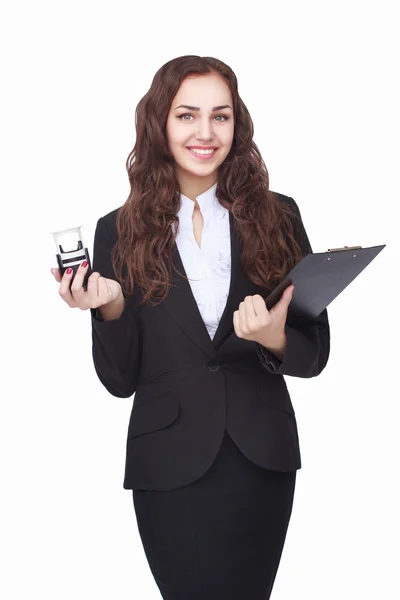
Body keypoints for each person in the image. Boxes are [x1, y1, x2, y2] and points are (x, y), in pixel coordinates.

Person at [51, 55, 330, 600]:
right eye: (187, 116)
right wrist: (108, 308)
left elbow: (314, 353)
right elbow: (119, 379)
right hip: (168, 462)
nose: (205, 133)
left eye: (220, 117)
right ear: (160, 123)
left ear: (236, 125)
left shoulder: (280, 215)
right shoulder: (118, 230)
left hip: (261, 457)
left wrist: (272, 336)